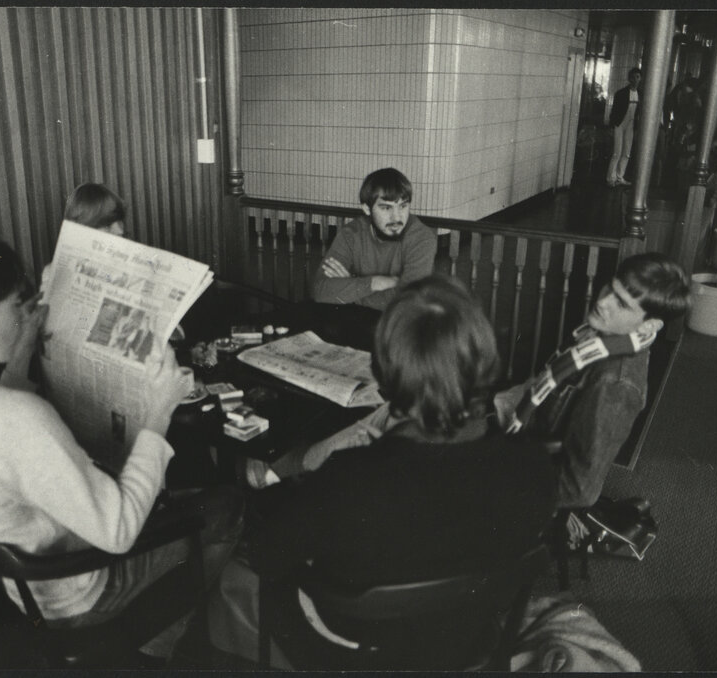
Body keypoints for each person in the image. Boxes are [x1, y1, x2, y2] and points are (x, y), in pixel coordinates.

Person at [0, 224, 243, 661]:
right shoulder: (19, 419)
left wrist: (24, 341)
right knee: (226, 506)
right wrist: (158, 412)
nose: (23, 313)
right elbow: (118, 530)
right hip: (80, 595)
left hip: (9, 583)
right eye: (15, 305)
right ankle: (158, 641)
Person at [209, 275, 558, 668]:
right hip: (468, 637)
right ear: (485, 360)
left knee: (234, 577)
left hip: (354, 646)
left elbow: (269, 556)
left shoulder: (348, 479)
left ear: (384, 375)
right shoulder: (534, 466)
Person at [495, 252, 690, 509]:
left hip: (531, 467)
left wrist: (498, 485)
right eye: (610, 287)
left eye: (621, 303)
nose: (603, 301)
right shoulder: (602, 336)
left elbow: (579, 489)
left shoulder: (616, 386)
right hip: (523, 426)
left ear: (648, 326)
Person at [311, 168, 437, 311]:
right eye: (386, 208)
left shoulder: (422, 238)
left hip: (402, 326)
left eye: (403, 206)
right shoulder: (351, 234)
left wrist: (351, 287)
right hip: (360, 321)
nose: (396, 217)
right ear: (367, 209)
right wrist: (375, 283)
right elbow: (320, 291)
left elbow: (409, 302)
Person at [41, 182, 127, 293]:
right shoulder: (53, 273)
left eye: (120, 221)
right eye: (107, 225)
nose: (120, 231)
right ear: (82, 231)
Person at [606, 68, 643, 188]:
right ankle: (610, 178)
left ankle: (619, 176)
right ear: (629, 79)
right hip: (619, 124)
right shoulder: (621, 93)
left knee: (626, 152)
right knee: (617, 152)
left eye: (638, 77)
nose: (635, 80)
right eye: (633, 77)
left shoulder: (640, 94)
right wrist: (612, 126)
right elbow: (614, 111)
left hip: (631, 125)